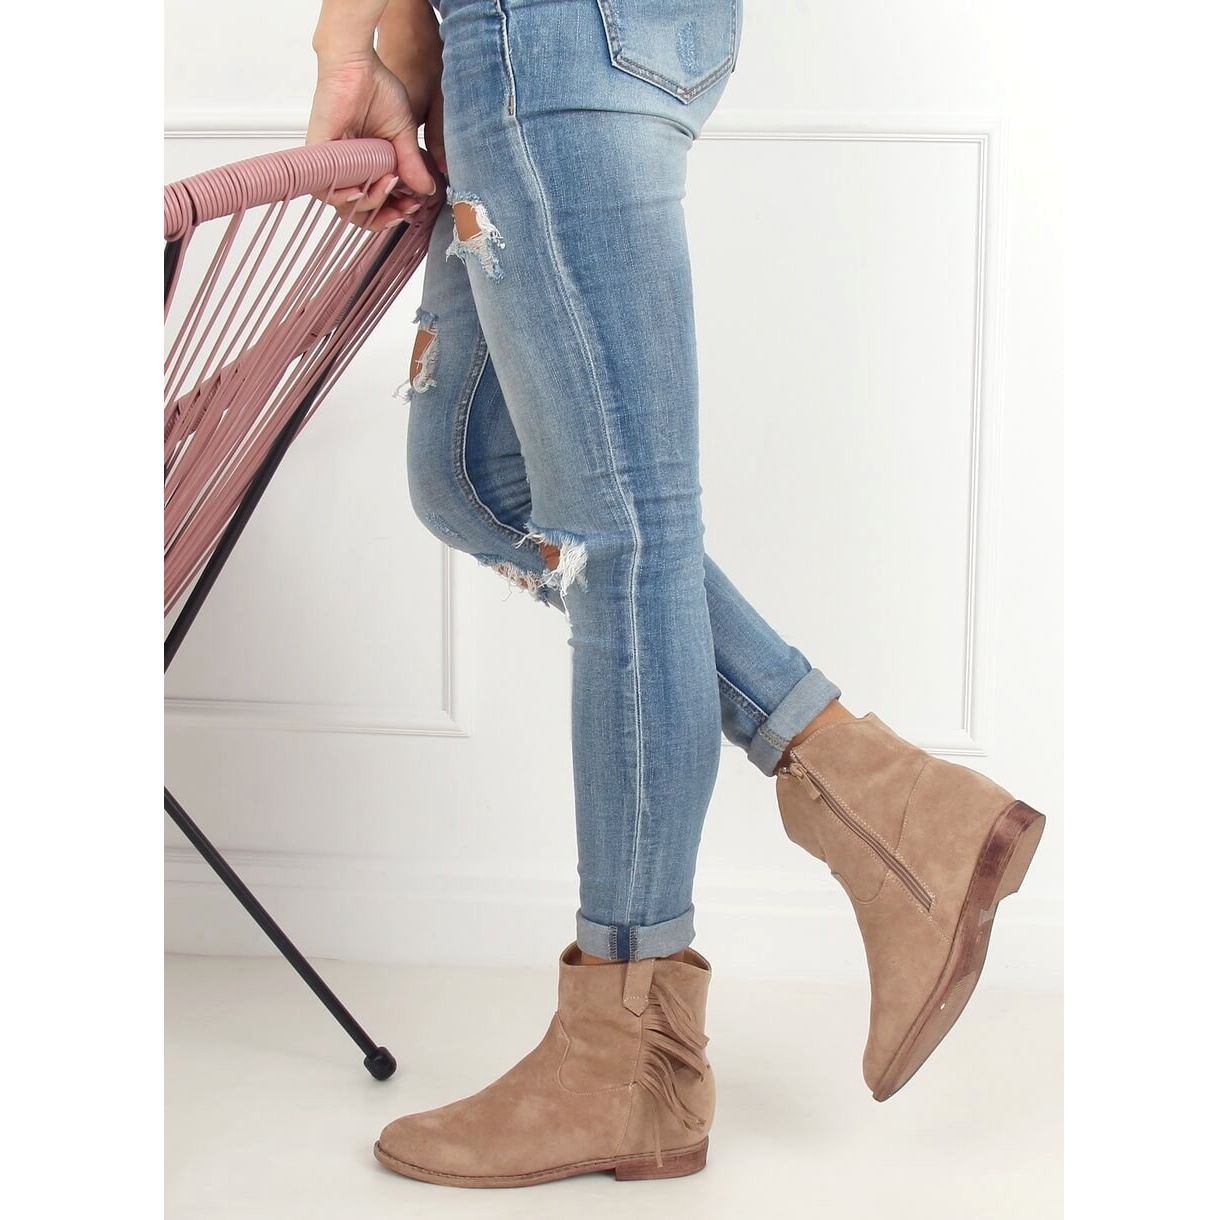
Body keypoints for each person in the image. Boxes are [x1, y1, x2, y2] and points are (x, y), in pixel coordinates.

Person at [306, 0, 1046, 1189]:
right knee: (475, 478)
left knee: (620, 530)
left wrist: (349, 45)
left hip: (547, 35)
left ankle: (626, 1052)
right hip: (601, 37)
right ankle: (881, 795)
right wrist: (407, 44)